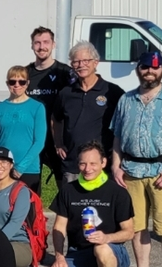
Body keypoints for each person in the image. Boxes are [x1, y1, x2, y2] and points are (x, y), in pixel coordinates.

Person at [110, 50, 162, 267]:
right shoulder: (127, 100)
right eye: (145, 67)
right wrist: (116, 166)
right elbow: (116, 135)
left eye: (155, 68)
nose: (150, 71)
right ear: (138, 69)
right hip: (132, 172)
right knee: (137, 227)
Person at [43, 141, 135, 267]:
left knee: (101, 249)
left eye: (93, 163)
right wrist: (59, 257)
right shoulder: (68, 191)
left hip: (111, 250)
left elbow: (129, 232)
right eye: (83, 163)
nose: (87, 168)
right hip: (79, 252)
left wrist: (107, 238)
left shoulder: (117, 192)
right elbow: (59, 228)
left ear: (103, 163)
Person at [52, 41, 123, 183]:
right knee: (72, 203)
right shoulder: (66, 93)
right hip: (73, 164)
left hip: (102, 165)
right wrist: (58, 143)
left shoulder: (112, 91)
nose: (81, 65)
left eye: (86, 60)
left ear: (95, 63)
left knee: (100, 204)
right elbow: (56, 118)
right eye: (76, 61)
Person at [26, 26, 72, 186]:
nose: (41, 47)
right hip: (32, 138)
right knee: (32, 185)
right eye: (37, 43)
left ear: (54, 44)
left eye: (46, 42)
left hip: (57, 139)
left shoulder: (65, 73)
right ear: (32, 45)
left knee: (64, 184)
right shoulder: (25, 74)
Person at [0, 66, 47, 193]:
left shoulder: (37, 107)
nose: (17, 85)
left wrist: (20, 167)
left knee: (29, 209)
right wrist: (1, 164)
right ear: (7, 84)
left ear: (27, 83)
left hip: (29, 169)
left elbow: (39, 142)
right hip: (4, 169)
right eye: (12, 82)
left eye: (21, 82)